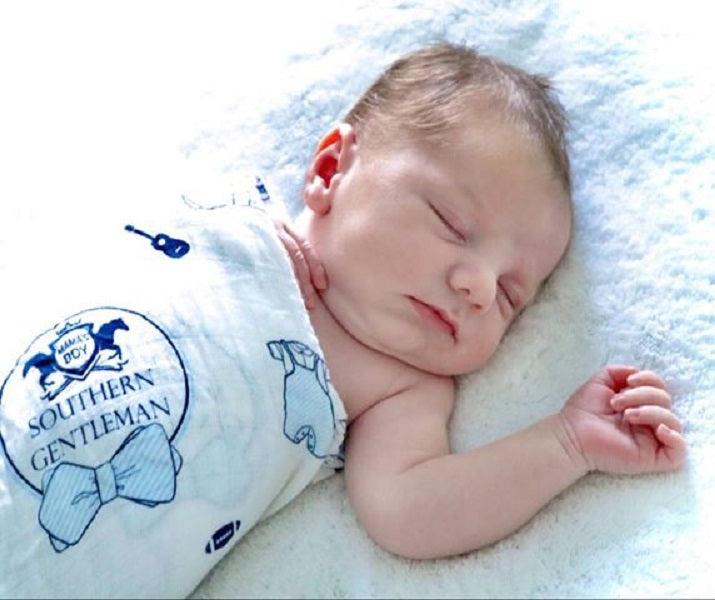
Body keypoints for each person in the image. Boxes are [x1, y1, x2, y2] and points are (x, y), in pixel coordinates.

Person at [275, 42, 687, 559]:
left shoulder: (401, 389)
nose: (482, 288)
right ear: (331, 169)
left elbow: (408, 512)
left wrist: (569, 442)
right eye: (451, 224)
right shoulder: (236, 222)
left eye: (509, 296)